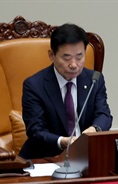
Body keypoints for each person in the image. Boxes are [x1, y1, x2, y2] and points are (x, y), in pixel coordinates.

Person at [19, 23, 113, 159]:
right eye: (67, 58)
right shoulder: (34, 85)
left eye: (79, 57)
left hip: (87, 156)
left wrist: (94, 130)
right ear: (52, 55)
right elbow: (36, 131)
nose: (74, 65)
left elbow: (104, 115)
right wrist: (64, 142)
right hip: (46, 157)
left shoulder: (94, 80)